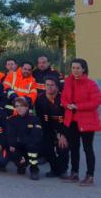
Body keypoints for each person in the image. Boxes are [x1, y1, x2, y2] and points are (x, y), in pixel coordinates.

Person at [61, 58, 100, 186]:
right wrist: (68, 105)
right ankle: (75, 173)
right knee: (74, 148)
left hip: (86, 121)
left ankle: (90, 176)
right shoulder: (68, 82)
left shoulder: (91, 84)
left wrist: (78, 106)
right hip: (71, 120)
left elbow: (95, 102)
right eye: (73, 68)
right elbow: (64, 98)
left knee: (88, 149)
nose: (75, 70)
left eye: (78, 68)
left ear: (83, 69)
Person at [35, 77, 69, 178]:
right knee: (47, 148)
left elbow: (68, 119)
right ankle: (54, 169)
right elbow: (41, 118)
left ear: (57, 87)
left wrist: (62, 134)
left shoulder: (64, 98)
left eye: (52, 85)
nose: (49, 87)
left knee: (63, 147)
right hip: (47, 127)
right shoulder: (40, 99)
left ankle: (63, 171)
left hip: (63, 128)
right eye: (47, 85)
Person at [7, 97, 42, 180]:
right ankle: (21, 165)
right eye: (17, 106)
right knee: (10, 148)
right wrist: (12, 144)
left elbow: (36, 136)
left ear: (27, 107)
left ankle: (34, 169)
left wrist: (20, 140)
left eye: (21, 106)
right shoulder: (12, 120)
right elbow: (10, 135)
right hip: (18, 146)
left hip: (30, 146)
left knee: (32, 147)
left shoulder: (35, 119)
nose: (19, 108)